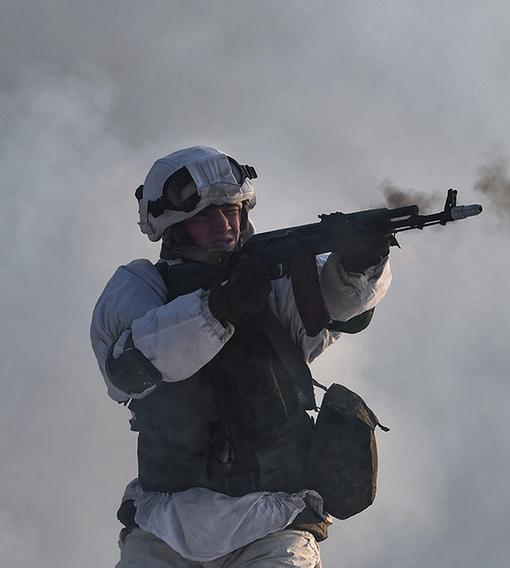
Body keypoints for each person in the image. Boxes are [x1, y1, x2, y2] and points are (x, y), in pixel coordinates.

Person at [90, 146, 391, 567]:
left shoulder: (273, 276)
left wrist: (359, 264)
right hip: (166, 526)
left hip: (273, 520)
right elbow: (132, 368)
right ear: (175, 228)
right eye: (206, 216)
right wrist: (217, 307)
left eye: (231, 211)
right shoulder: (140, 287)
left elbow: (339, 304)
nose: (224, 224)